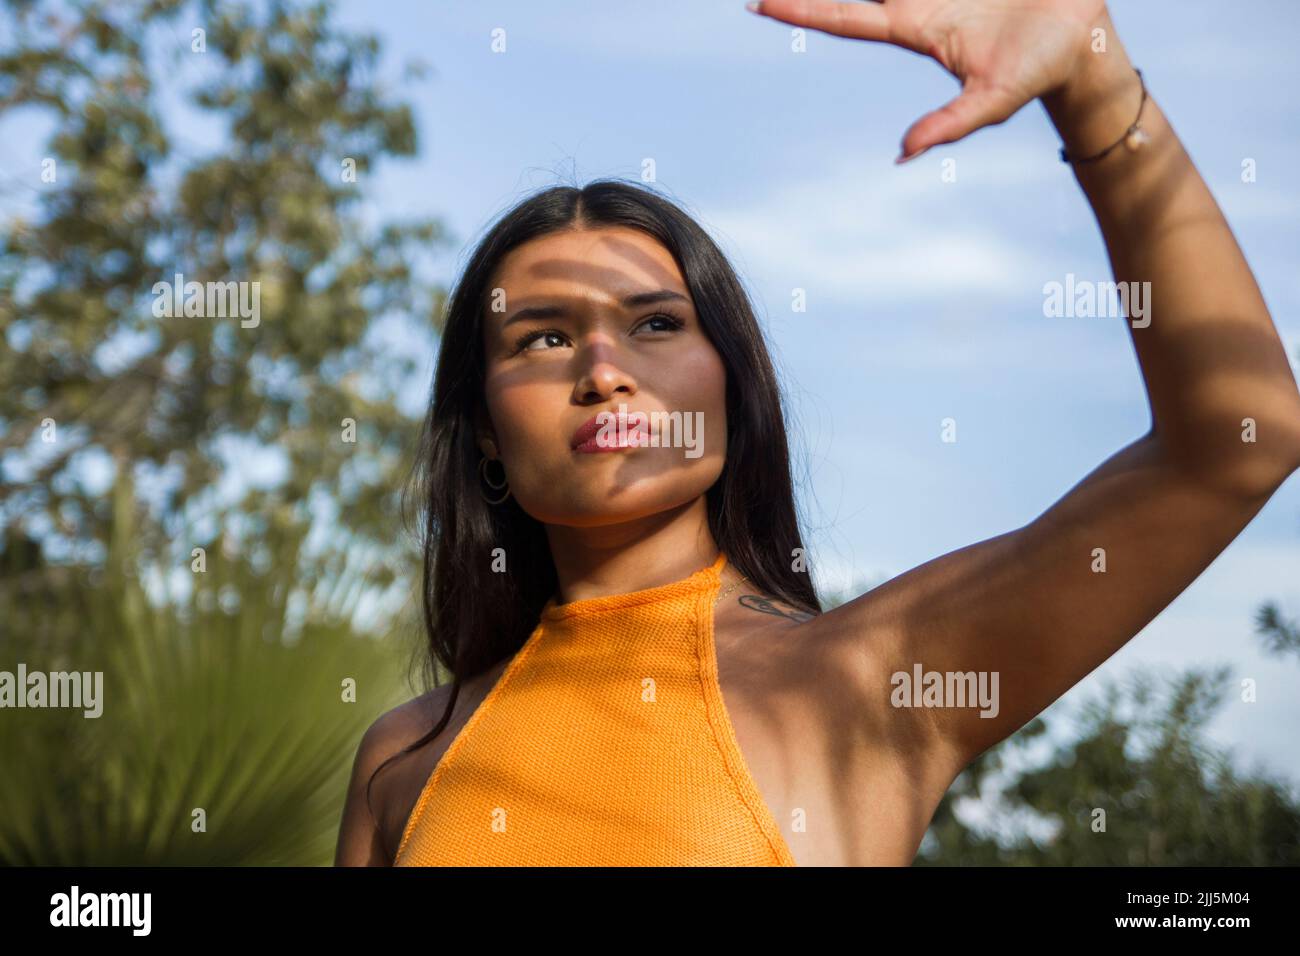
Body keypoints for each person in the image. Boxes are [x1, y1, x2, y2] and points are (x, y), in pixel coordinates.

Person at [335, 0, 1300, 866]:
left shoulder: (863, 680)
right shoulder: (401, 758)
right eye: (543, 337)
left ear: (732, 385)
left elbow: (1237, 443)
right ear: (487, 436)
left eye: (657, 323)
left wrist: (1093, 79)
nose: (601, 370)